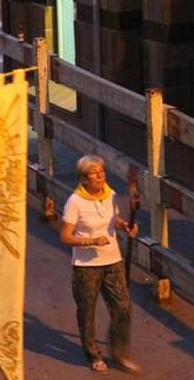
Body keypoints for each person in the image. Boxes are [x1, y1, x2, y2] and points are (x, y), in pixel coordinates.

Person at [59, 155, 140, 374]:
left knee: (123, 307)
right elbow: (65, 236)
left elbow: (113, 220)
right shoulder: (74, 202)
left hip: (112, 260)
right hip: (86, 266)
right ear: (84, 179)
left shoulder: (110, 194)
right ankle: (93, 354)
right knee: (87, 311)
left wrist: (124, 226)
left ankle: (119, 351)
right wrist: (90, 241)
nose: (100, 176)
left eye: (102, 171)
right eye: (95, 173)